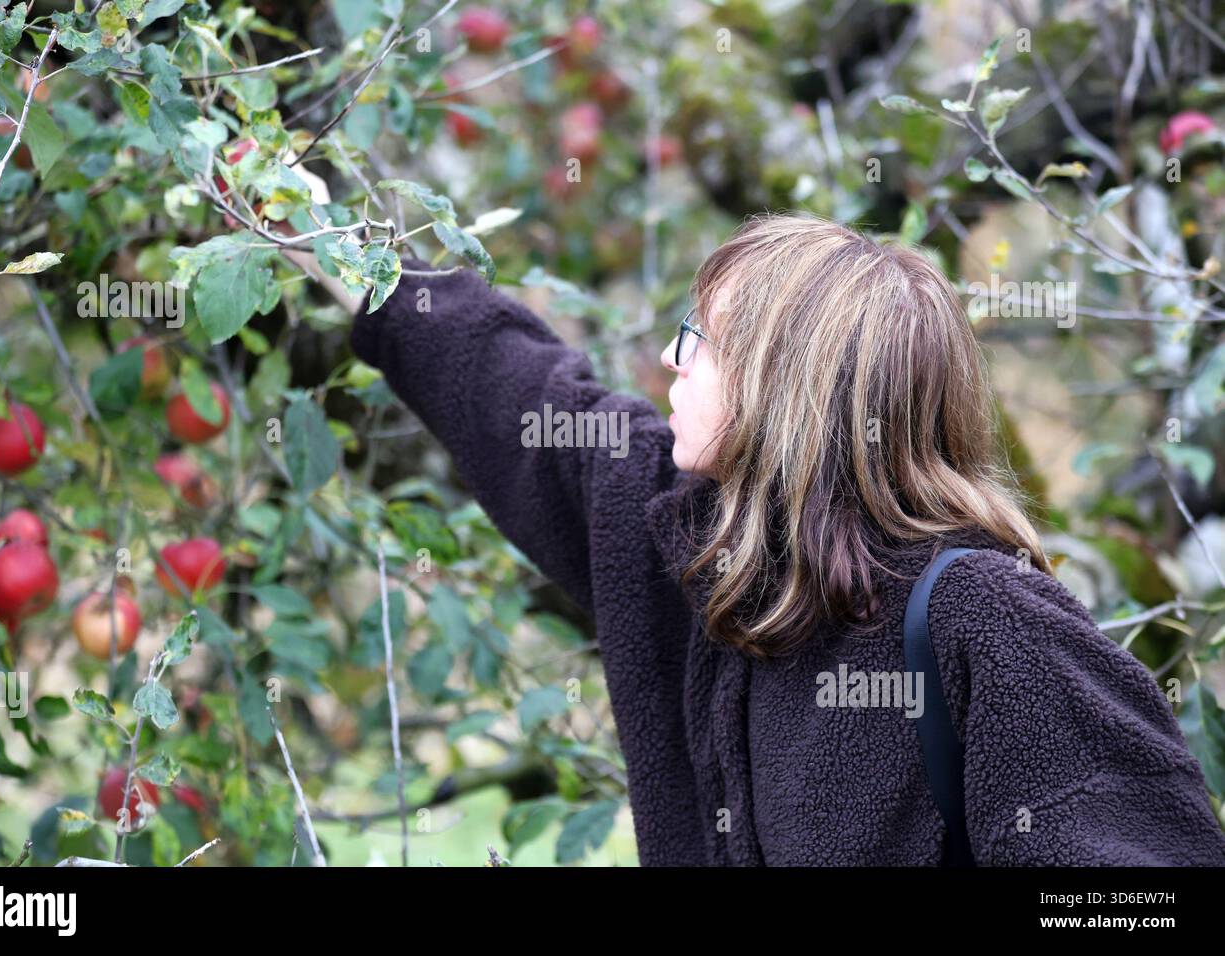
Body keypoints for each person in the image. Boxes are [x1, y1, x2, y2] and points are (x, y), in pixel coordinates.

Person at [310, 211, 1225, 865]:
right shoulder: (699, 550)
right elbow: (524, 400)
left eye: (697, 337)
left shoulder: (986, 621)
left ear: (786, 386)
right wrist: (304, 222)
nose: (671, 359)